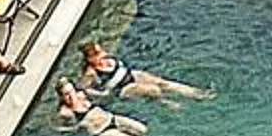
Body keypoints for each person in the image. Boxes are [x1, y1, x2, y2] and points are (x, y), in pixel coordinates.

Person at [54, 81, 184, 136]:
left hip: (113, 118)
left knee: (143, 129)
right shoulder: (65, 112)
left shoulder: (82, 96)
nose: (71, 96)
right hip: (102, 131)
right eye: (66, 94)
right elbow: (61, 128)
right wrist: (79, 126)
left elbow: (103, 95)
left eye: (71, 91)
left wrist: (107, 92)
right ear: (61, 97)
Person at [78, 40, 209, 103]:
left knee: (162, 82)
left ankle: (196, 93)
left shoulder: (106, 58)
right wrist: (104, 94)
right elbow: (84, 89)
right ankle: (167, 102)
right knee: (154, 90)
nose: (103, 53)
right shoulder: (91, 73)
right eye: (98, 53)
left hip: (131, 74)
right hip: (122, 88)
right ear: (91, 58)